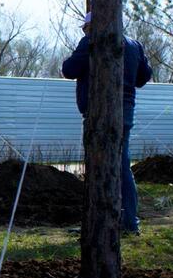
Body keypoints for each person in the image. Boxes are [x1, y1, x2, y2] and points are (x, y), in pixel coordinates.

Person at [62, 12, 152, 235]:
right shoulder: (135, 45)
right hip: (126, 111)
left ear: (92, 25)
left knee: (102, 167)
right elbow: (143, 77)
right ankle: (123, 221)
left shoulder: (92, 40)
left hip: (98, 112)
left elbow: (69, 70)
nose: (85, 31)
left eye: (85, 28)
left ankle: (118, 224)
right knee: (121, 165)